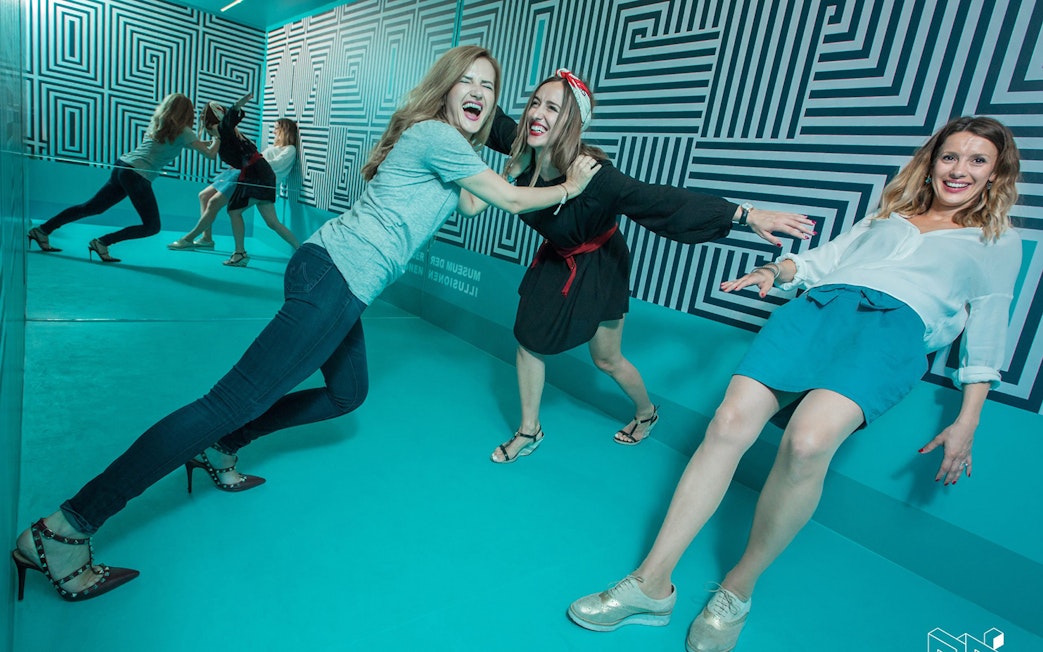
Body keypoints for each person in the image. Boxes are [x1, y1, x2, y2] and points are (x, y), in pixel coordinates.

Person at [10, 45, 600, 602]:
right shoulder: (437, 136)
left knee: (348, 393)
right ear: (446, 90)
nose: (477, 91)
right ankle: (63, 529)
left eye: (488, 86)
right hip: (336, 279)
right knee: (223, 402)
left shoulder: (455, 153)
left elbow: (474, 200)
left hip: (337, 278)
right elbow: (509, 202)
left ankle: (221, 448)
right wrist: (570, 183)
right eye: (467, 81)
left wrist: (521, 159)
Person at [566, 115, 1022, 652]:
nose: (959, 170)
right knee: (729, 423)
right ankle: (651, 585)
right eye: (950, 156)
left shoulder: (995, 240)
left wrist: (967, 421)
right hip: (818, 310)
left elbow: (987, 337)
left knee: (806, 444)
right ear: (932, 161)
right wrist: (776, 272)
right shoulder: (890, 215)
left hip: (892, 332)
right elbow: (821, 262)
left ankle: (737, 590)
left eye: (976, 161)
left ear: (994, 174)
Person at [481, 70, 815, 463]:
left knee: (606, 359)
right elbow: (487, 117)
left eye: (553, 108)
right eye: (535, 103)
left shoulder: (595, 176)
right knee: (528, 339)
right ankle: (529, 430)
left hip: (600, 264)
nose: (538, 113)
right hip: (558, 255)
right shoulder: (522, 146)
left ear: (572, 122)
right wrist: (460, 88)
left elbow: (661, 200)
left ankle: (647, 413)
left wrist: (746, 214)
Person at [26, 93, 220, 262]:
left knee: (91, 207)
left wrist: (207, 139)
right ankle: (102, 242)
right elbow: (210, 154)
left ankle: (42, 230)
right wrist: (218, 135)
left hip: (122, 167)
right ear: (187, 113)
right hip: (137, 175)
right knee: (152, 226)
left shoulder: (159, 124)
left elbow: (187, 143)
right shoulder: (185, 132)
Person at [168, 117, 301, 259]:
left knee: (230, 210)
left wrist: (251, 159)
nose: (274, 131)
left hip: (260, 185)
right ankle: (299, 248)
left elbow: (271, 165)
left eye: (277, 128)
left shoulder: (290, 149)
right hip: (254, 181)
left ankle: (194, 239)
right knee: (272, 222)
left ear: (284, 130)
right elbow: (258, 161)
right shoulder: (274, 148)